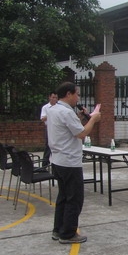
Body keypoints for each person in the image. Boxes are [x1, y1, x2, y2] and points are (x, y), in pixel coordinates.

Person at [47, 82, 101, 244]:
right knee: (74, 199)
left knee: (63, 196)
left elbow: (68, 128)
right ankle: (68, 234)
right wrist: (93, 119)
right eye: (77, 94)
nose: (78, 97)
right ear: (69, 94)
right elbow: (82, 133)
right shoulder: (66, 112)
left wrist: (81, 117)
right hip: (69, 161)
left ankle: (58, 229)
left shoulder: (53, 109)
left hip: (57, 160)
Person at [40, 91, 58, 166]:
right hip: (49, 128)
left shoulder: (59, 107)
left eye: (56, 98)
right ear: (49, 97)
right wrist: (50, 114)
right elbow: (42, 118)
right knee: (48, 145)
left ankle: (55, 163)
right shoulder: (45, 107)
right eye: (53, 97)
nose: (54, 99)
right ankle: (45, 163)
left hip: (57, 128)